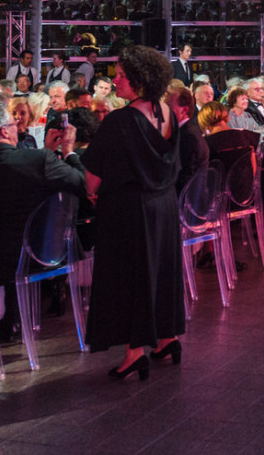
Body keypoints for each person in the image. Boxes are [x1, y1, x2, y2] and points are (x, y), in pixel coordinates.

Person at [81, 43, 185, 380]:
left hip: (130, 210)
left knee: (131, 277)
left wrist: (92, 193)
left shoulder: (119, 120)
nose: (115, 81)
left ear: (140, 80)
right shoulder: (168, 112)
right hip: (164, 205)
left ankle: (134, 353)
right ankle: (167, 338)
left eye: (122, 76)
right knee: (161, 271)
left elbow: (93, 174)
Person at [0, 97, 86, 341]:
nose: (17, 126)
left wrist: (47, 152)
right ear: (4, 131)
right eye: (13, 123)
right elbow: (83, 183)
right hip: (41, 254)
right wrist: (68, 151)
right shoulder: (37, 160)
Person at [165, 86, 209, 194]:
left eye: (168, 106)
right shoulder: (185, 131)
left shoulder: (189, 137)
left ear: (184, 110)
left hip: (188, 203)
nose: (164, 111)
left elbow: (185, 180)